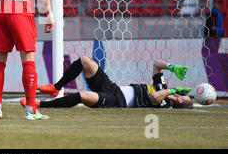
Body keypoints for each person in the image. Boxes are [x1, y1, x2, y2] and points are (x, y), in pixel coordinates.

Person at [22, 55, 193, 109]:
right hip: (113, 88)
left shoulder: (163, 102)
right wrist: (172, 67)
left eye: (184, 97)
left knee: (82, 96)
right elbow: (156, 65)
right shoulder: (163, 86)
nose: (182, 94)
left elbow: (155, 96)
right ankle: (55, 88)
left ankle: (39, 105)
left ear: (179, 100)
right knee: (85, 61)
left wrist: (171, 91)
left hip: (116, 101)